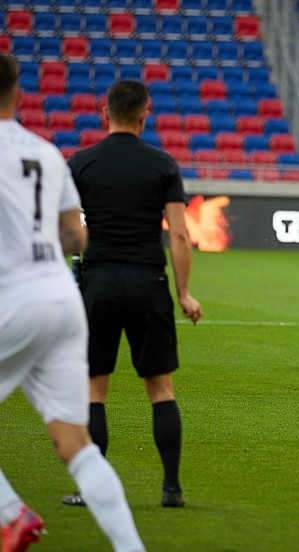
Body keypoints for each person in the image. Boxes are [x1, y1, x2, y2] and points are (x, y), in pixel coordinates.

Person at [0, 54, 145, 551]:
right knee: (75, 444)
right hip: (62, 300)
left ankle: (10, 513)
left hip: (12, 302)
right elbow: (74, 237)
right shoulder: (46, 152)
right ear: (20, 96)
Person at [65, 80, 202, 509]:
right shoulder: (162, 165)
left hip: (99, 284)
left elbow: (69, 234)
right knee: (160, 389)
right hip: (148, 283)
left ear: (104, 113)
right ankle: (172, 488)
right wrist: (184, 293)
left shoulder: (80, 163)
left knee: (94, 389)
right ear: (146, 113)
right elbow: (179, 235)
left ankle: (91, 490)